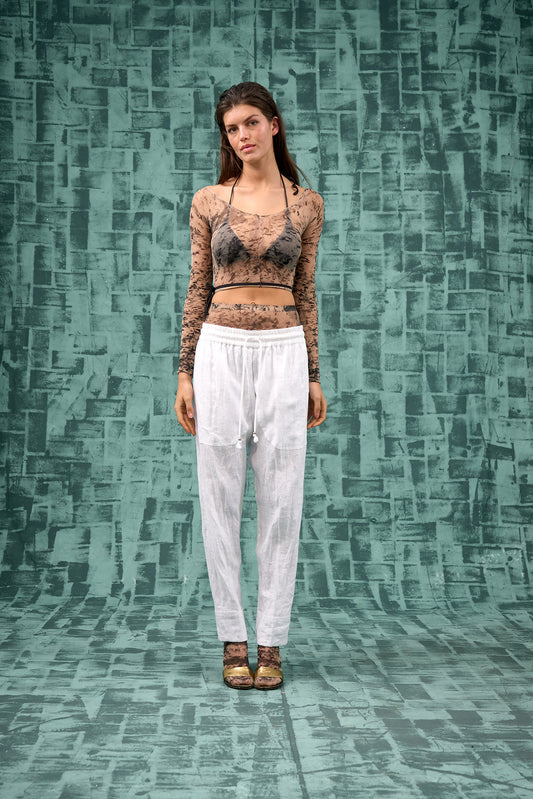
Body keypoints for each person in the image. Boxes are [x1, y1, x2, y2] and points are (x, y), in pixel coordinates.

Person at [175, 81, 326, 690]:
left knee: (283, 499)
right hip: (220, 349)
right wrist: (184, 371)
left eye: (250, 123)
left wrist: (314, 373)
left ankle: (273, 641)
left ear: (274, 125)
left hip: (285, 349)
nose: (242, 135)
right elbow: (197, 286)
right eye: (231, 128)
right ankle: (233, 639)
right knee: (219, 496)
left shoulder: (307, 205)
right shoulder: (210, 200)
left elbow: (307, 291)